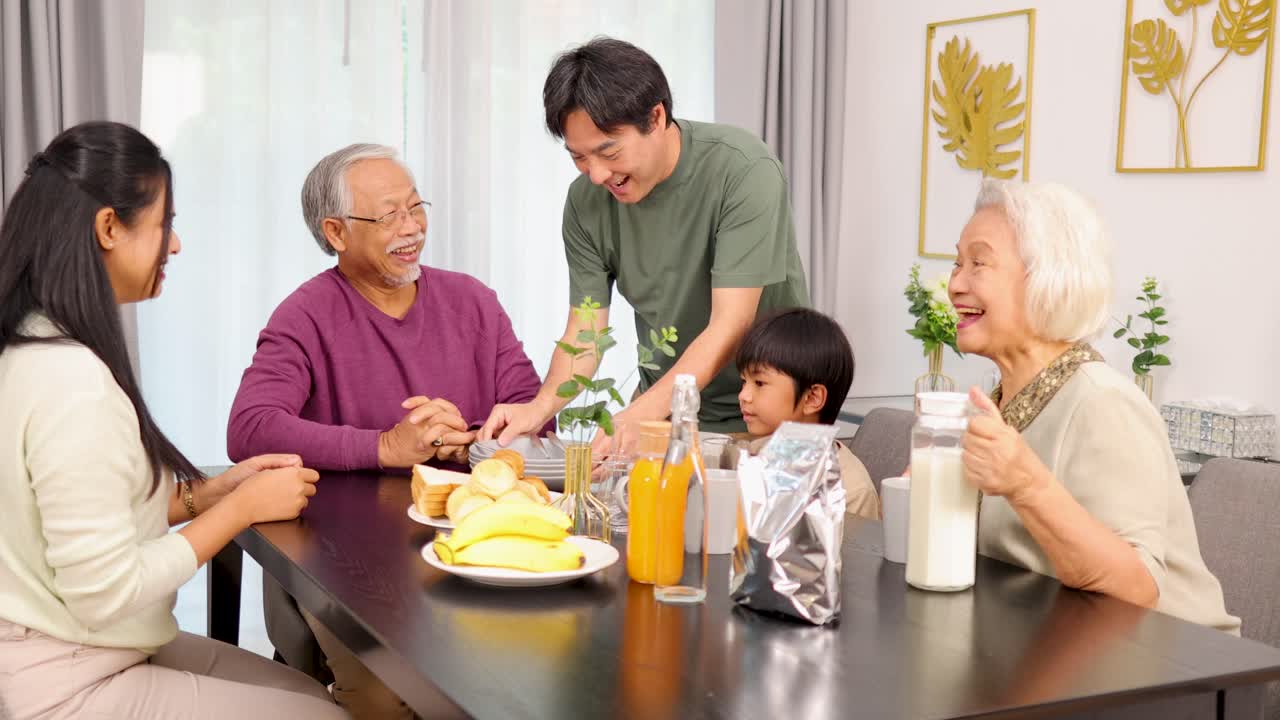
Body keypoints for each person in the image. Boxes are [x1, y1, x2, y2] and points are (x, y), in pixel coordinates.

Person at [0, 122, 344, 719]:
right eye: (166, 223)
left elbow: (86, 511)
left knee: (311, 695)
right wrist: (240, 509)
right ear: (109, 228)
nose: (176, 245)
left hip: (90, 645)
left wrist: (209, 494)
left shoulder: (34, 343)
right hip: (67, 672)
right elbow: (107, 592)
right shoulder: (72, 381)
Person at [226, 143, 546, 719]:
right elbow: (250, 428)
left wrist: (473, 440)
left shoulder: (473, 301)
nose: (412, 227)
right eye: (389, 214)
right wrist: (383, 447)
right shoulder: (305, 314)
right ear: (336, 232)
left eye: (416, 207)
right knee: (388, 696)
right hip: (349, 564)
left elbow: (533, 411)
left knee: (529, 676)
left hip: (476, 548)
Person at [480, 37, 809, 451]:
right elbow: (586, 330)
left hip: (766, 415)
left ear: (655, 117)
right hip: (665, 410)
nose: (597, 175)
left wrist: (638, 415)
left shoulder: (743, 170)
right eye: (578, 157)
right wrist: (539, 407)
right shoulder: (585, 202)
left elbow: (731, 324)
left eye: (608, 151)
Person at [951, 178, 1238, 633]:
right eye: (957, 263)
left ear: (1046, 278)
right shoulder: (999, 402)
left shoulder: (1103, 402)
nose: (955, 284)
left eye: (978, 264)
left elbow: (1136, 587)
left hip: (1172, 659)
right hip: (1050, 640)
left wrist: (1026, 484)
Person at [735, 308, 879, 519]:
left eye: (759, 383)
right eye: (743, 381)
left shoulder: (850, 491)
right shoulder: (755, 455)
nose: (743, 395)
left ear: (812, 398)